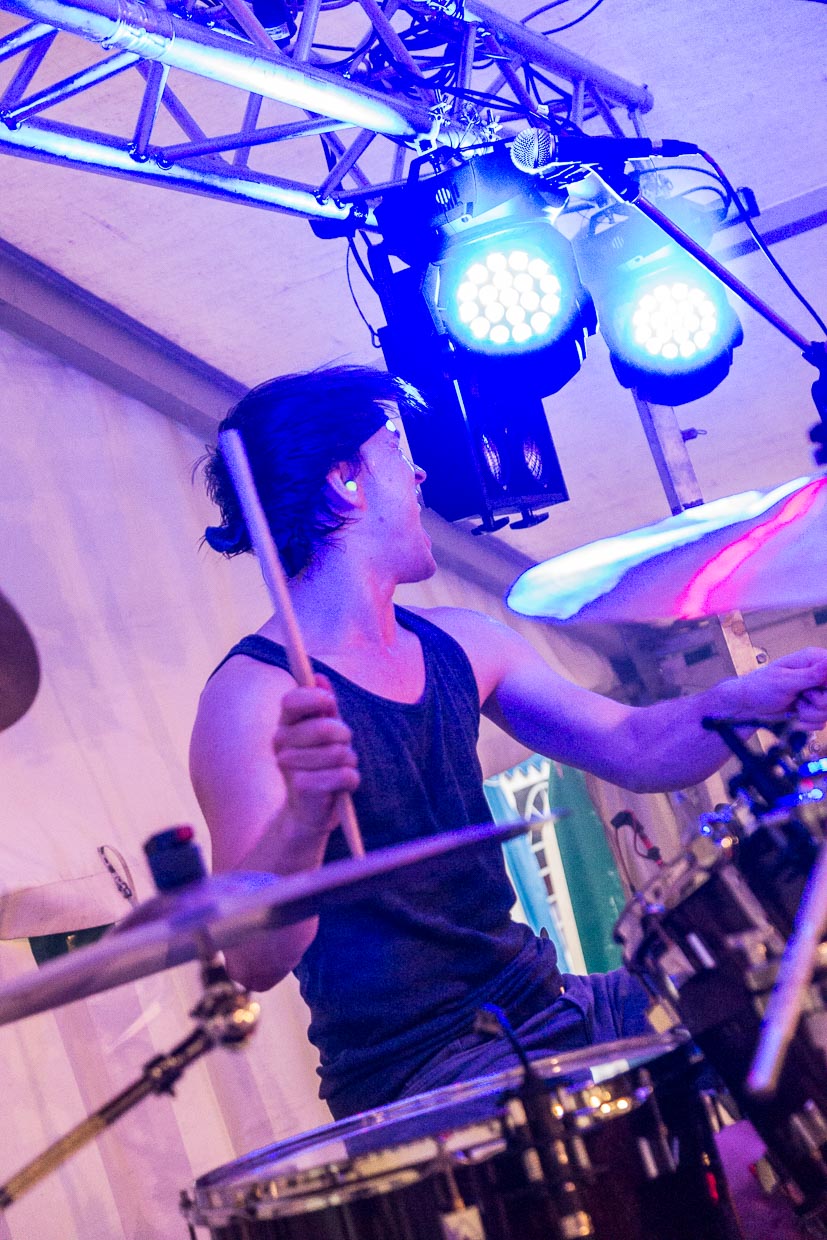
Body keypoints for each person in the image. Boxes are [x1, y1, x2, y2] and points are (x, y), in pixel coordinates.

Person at [190, 364, 827, 1121]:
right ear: (345, 481)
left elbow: (633, 746)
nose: (420, 472)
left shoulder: (463, 641)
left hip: (549, 1003)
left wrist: (742, 702)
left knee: (769, 995)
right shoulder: (252, 699)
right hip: (423, 1069)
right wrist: (304, 820)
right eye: (396, 450)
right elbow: (250, 960)